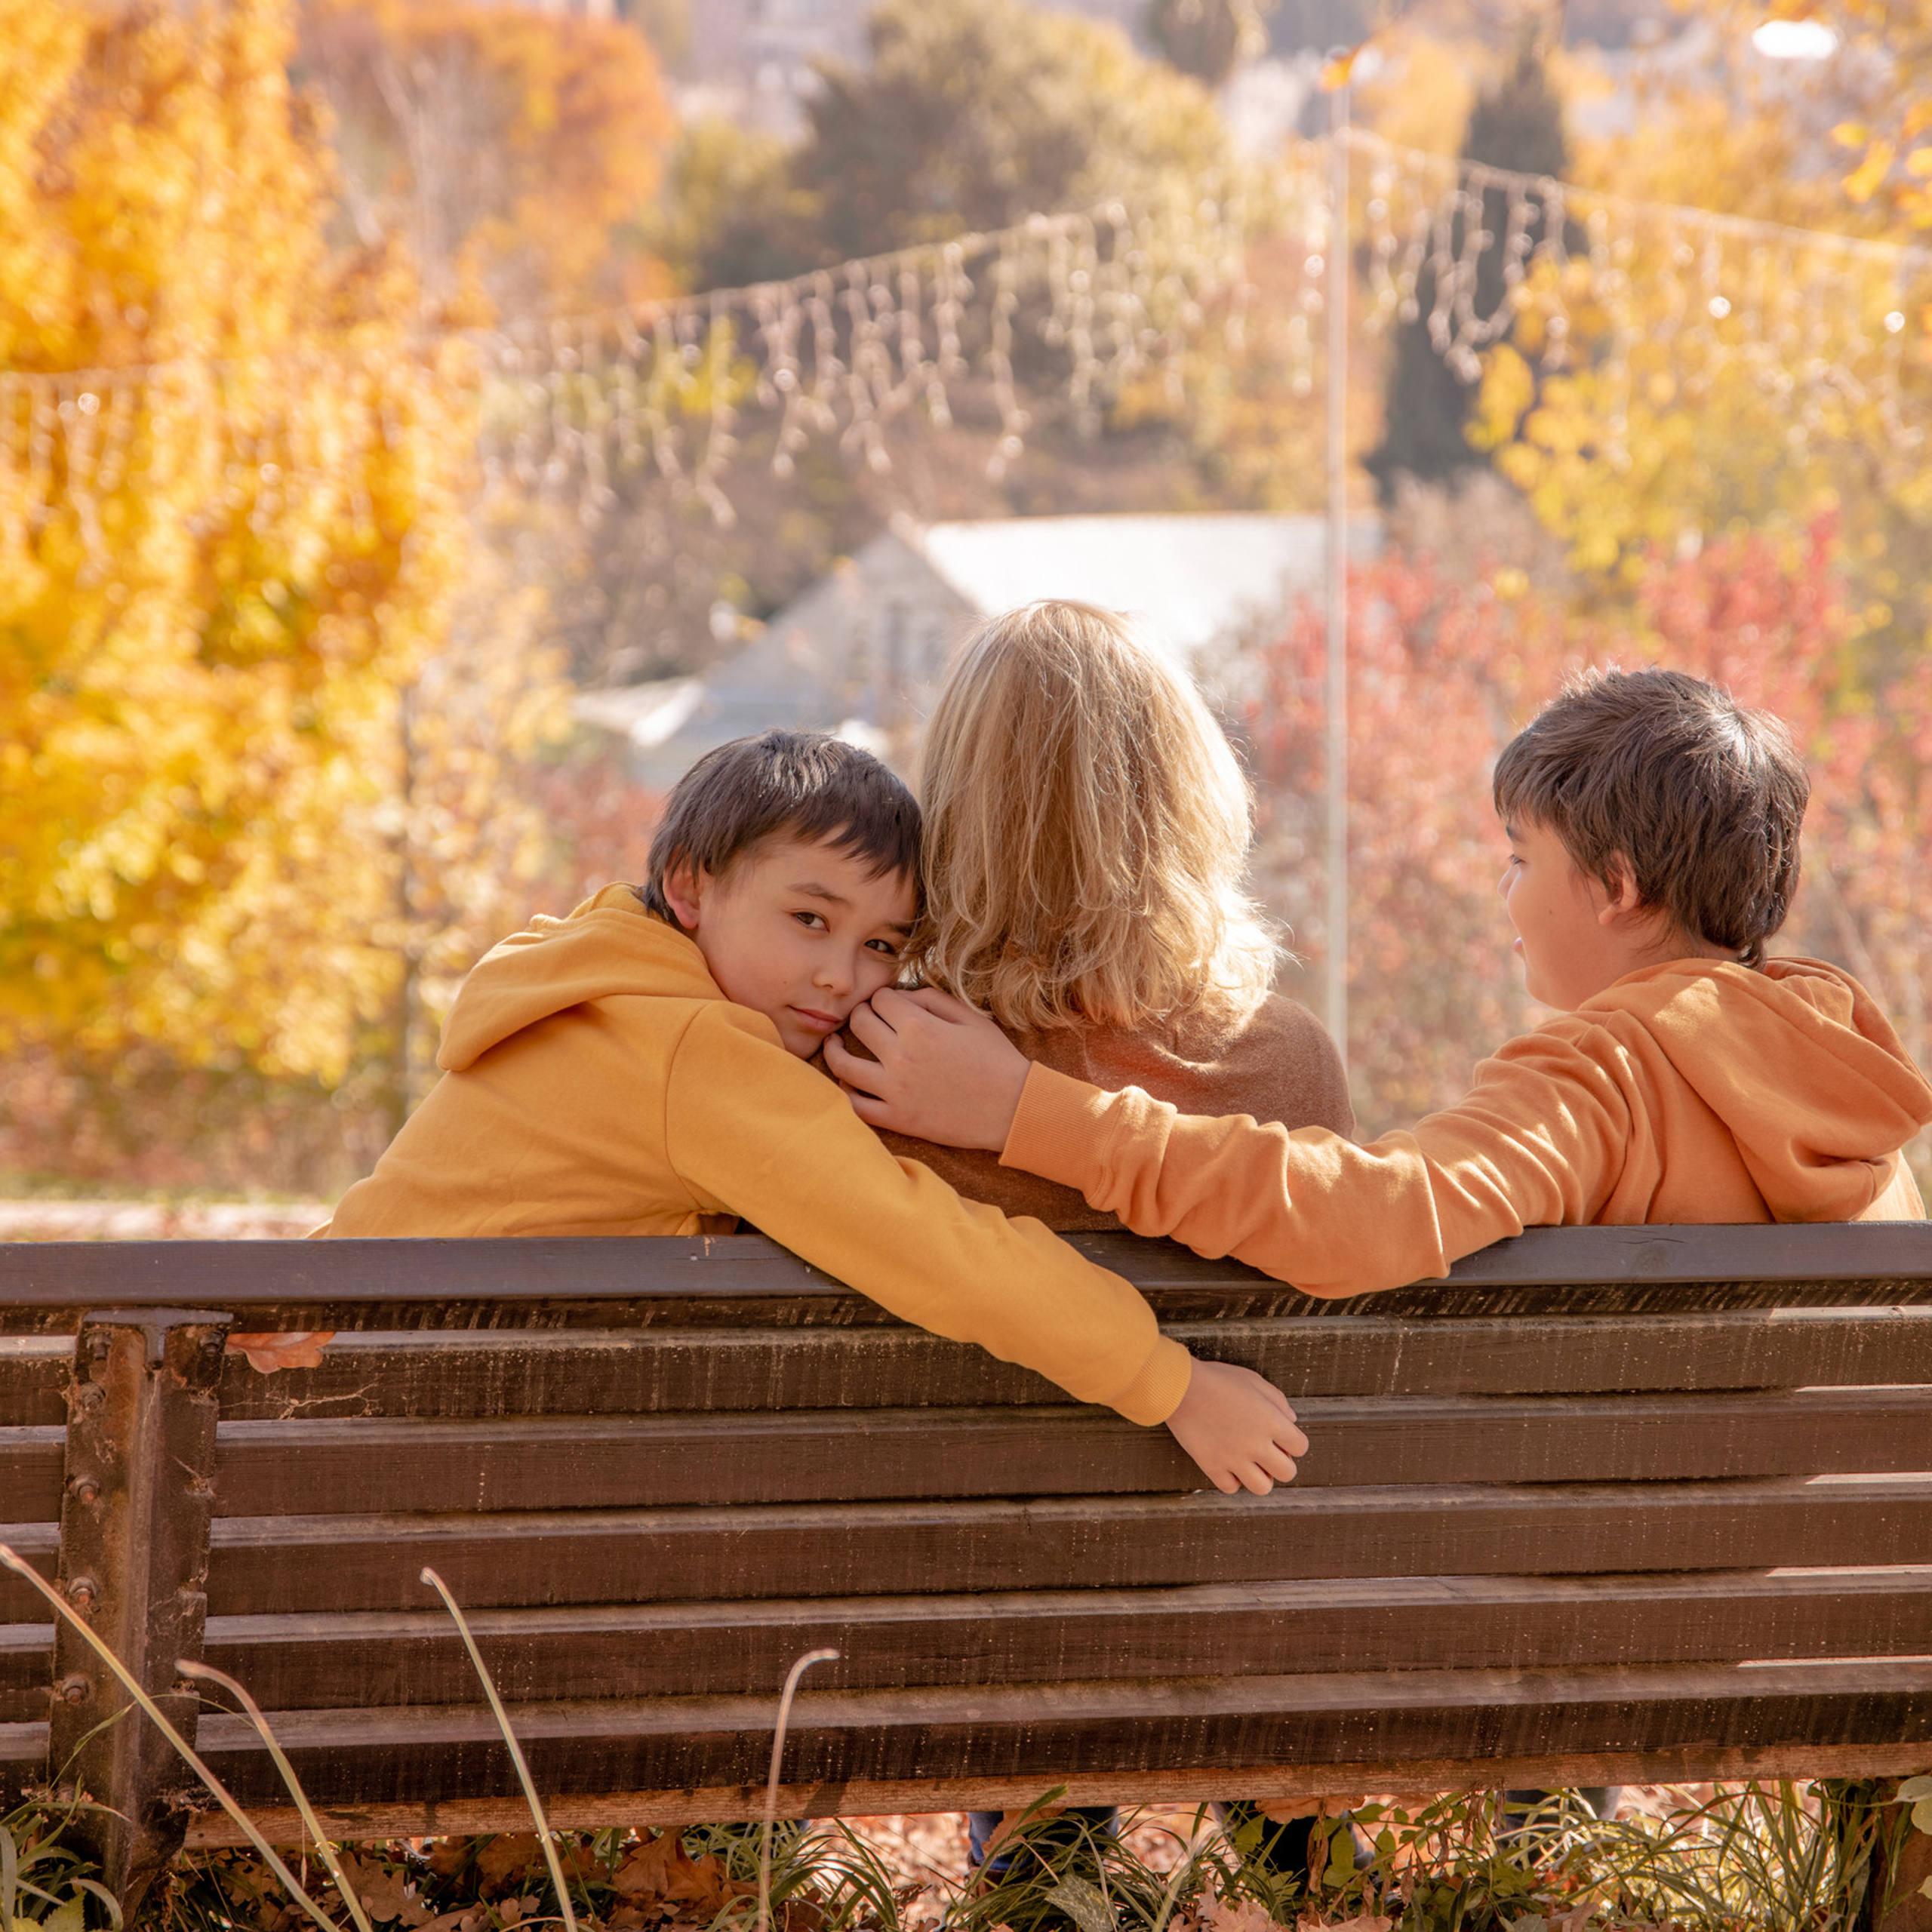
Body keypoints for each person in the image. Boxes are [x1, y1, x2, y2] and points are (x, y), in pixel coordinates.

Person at [828, 665, 1932, 1867]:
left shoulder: (1606, 1073)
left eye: (1519, 858)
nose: (1502, 895)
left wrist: (1026, 1112)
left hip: (1577, 1630)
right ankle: (1542, 1869)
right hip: (1804, 1625)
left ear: (1616, 887)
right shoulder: (1840, 1090)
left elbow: (1365, 1220)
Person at [291, 729, 1309, 1496]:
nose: (838, 976)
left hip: (356, 1413)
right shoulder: (695, 1054)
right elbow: (926, 1242)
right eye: (810, 918)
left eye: (879, 946)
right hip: (410, 1449)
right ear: (690, 888)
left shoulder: (593, 984)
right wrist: (1169, 1383)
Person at [824, 602, 1353, 1881]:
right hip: (1238, 1605)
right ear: (1184, 799)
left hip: (961, 1624)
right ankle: (1296, 1849)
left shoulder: (869, 1066)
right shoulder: (1288, 1063)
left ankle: (1045, 1863)